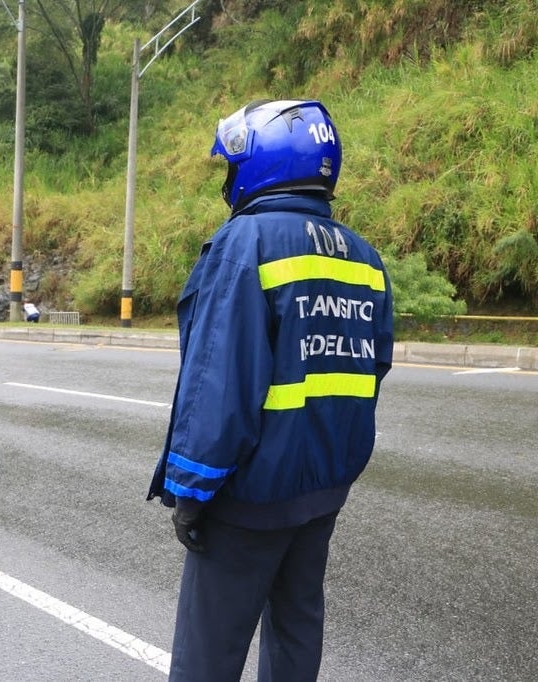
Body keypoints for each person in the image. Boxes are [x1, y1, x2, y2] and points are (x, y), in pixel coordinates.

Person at [147, 99, 394, 681]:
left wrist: (191, 489)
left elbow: (219, 382)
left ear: (264, 164)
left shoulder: (245, 242)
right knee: (296, 634)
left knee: (208, 655)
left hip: (248, 495)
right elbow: (372, 367)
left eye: (233, 167)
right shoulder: (365, 258)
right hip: (323, 490)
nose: (228, 183)